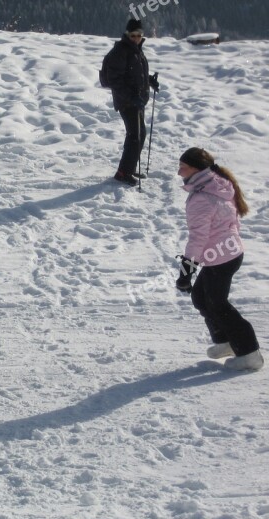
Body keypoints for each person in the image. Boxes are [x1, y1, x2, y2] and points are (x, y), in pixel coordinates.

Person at [175, 148, 263, 371]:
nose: (179, 172)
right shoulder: (218, 183)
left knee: (218, 304)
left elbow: (198, 238)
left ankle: (249, 353)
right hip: (229, 252)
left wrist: (186, 272)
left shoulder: (201, 198)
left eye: (183, 167)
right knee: (201, 298)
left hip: (221, 256)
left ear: (197, 169)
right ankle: (226, 343)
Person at [104, 18, 159, 186]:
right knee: (136, 135)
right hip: (127, 102)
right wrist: (131, 97)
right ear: (127, 34)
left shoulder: (136, 50)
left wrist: (149, 81)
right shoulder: (120, 51)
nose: (137, 38)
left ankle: (129, 167)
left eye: (139, 35)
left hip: (137, 101)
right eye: (133, 35)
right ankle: (123, 173)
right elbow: (114, 79)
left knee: (139, 135)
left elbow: (135, 74)